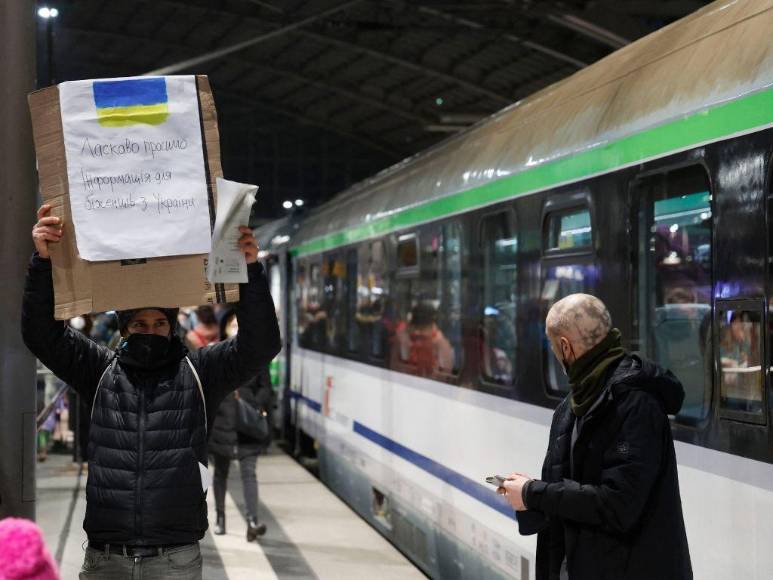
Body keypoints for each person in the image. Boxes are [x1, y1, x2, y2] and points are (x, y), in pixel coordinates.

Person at [22, 204, 281, 579]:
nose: (151, 329)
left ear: (172, 326)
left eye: (160, 322)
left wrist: (251, 273)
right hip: (107, 556)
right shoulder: (98, 370)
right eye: (140, 322)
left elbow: (260, 345)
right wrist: (43, 263)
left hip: (173, 557)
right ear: (124, 330)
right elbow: (42, 335)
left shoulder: (199, 372)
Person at [499, 293, 692, 580]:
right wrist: (527, 496)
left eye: (553, 347)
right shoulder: (571, 407)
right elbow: (563, 491)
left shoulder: (637, 405)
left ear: (566, 347)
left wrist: (534, 493)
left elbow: (618, 505)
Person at [208, 308, 272, 542]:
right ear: (224, 326)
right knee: (221, 474)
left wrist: (251, 402)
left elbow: (266, 388)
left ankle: (252, 521)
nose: (235, 326)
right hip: (221, 424)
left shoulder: (256, 356)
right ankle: (220, 517)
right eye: (231, 323)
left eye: (239, 323)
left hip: (248, 425)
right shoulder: (215, 354)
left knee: (249, 474)